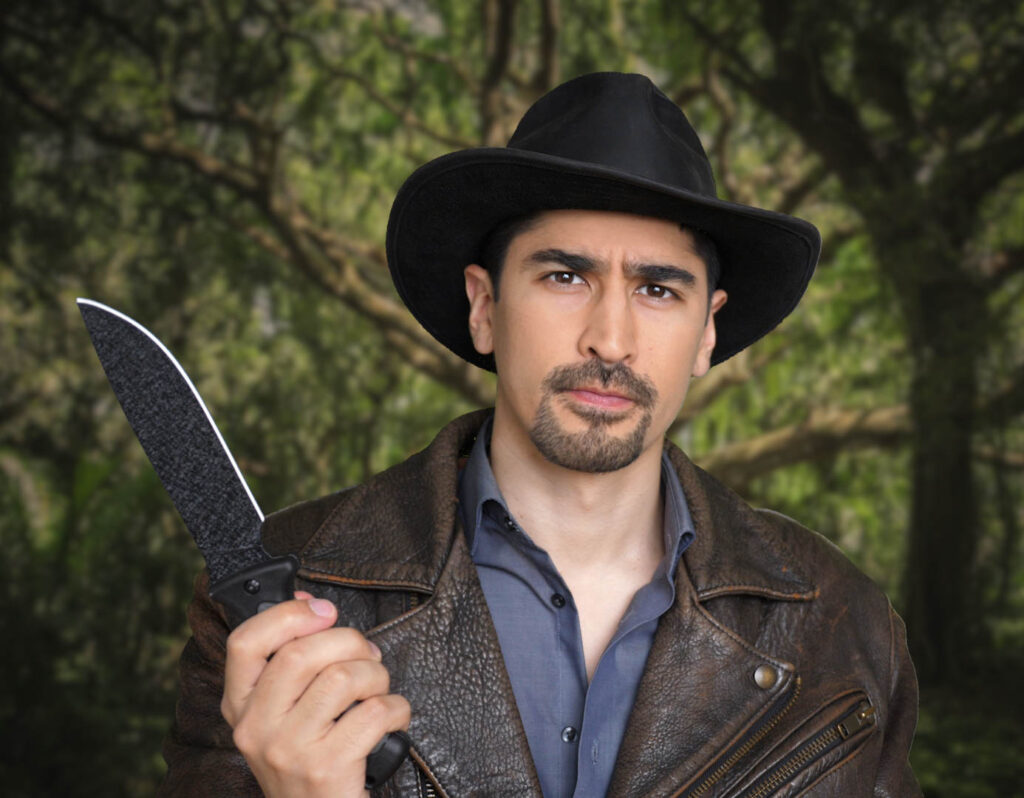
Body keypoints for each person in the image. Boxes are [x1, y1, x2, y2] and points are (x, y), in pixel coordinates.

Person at [159, 73, 921, 797]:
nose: (611, 340)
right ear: (485, 306)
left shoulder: (844, 623)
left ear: (705, 332)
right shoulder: (280, 602)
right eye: (565, 277)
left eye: (657, 289)